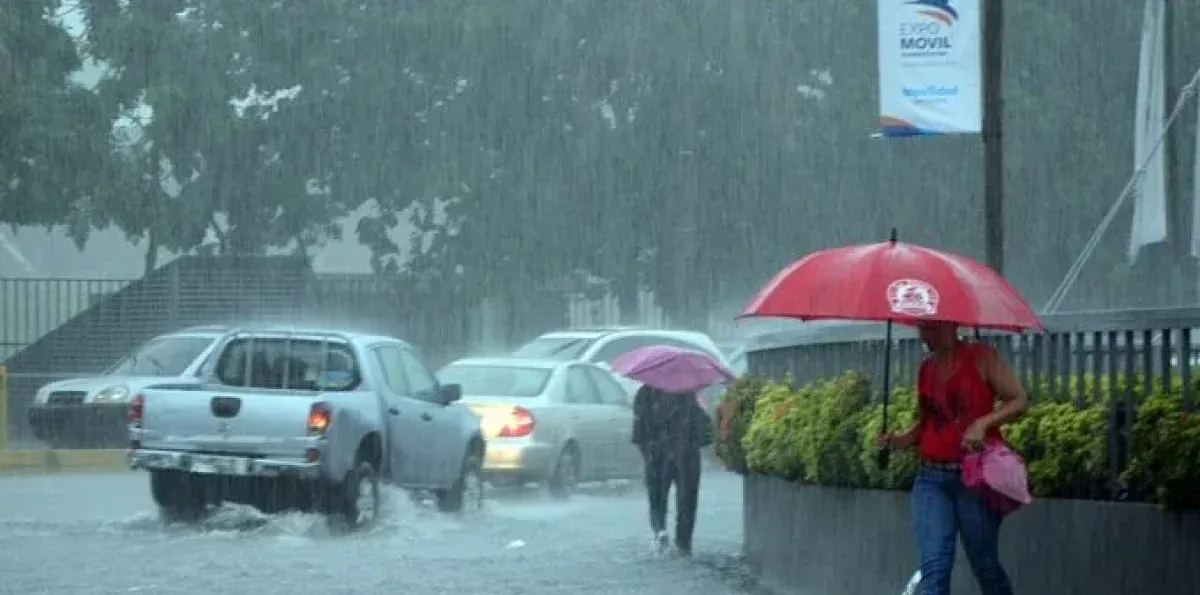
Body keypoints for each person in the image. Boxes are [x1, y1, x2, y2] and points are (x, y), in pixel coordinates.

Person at [876, 321, 1028, 595]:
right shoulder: (926, 368)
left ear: (952, 324)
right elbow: (928, 423)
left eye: (932, 328)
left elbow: (1018, 400)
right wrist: (897, 440)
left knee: (985, 565)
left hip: (974, 478)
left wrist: (984, 423)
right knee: (935, 567)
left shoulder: (982, 357)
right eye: (921, 328)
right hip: (932, 479)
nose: (925, 335)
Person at [632, 383, 713, 557]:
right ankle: (683, 545)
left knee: (656, 498)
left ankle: (660, 530)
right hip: (687, 455)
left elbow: (638, 433)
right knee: (687, 502)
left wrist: (648, 456)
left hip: (656, 453)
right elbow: (704, 430)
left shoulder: (645, 393)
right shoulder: (688, 393)